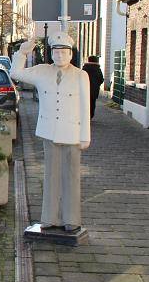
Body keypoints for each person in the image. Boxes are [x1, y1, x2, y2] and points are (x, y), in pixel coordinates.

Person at [10, 34, 91, 233]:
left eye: (64, 52)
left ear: (71, 54)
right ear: (51, 54)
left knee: (71, 176)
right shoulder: (42, 71)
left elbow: (85, 107)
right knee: (50, 175)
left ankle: (71, 219)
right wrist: (22, 52)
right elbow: (15, 72)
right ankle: (49, 217)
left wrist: (85, 135)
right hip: (49, 131)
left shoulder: (81, 75)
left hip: (72, 131)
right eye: (56, 52)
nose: (60, 56)